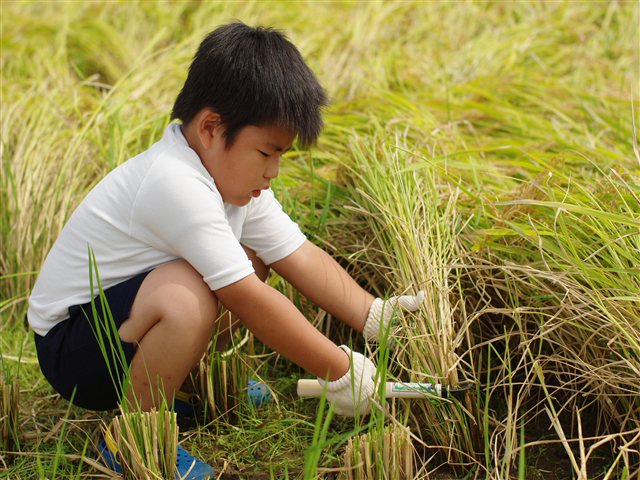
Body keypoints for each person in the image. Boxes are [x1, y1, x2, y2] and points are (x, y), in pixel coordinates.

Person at [27, 22, 423, 479]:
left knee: (253, 262)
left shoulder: (236, 186)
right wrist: (337, 368)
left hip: (120, 329)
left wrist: (376, 316)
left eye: (282, 157)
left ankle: (178, 387)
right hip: (72, 350)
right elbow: (244, 299)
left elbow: (300, 254)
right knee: (189, 297)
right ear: (212, 128)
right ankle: (131, 439)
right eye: (266, 152)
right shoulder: (173, 183)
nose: (273, 171)